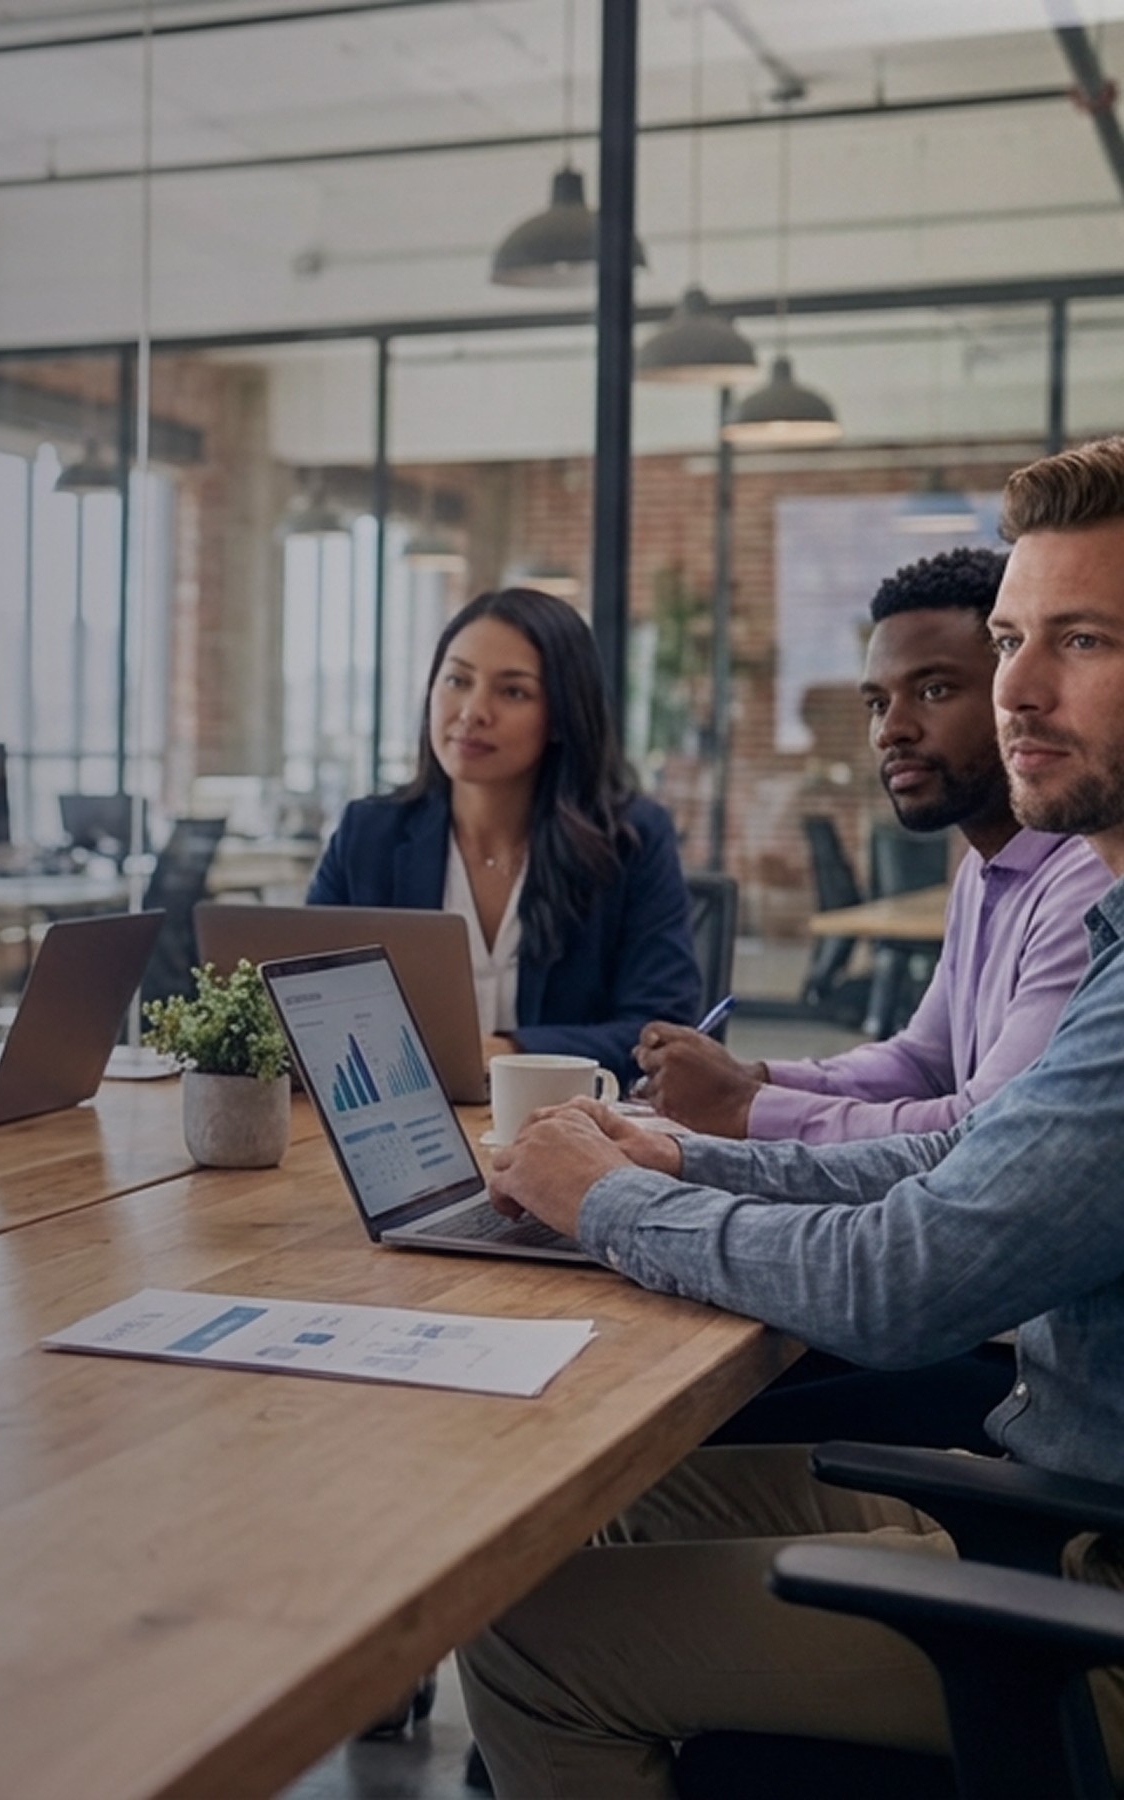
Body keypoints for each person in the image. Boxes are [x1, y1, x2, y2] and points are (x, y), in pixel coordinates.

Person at [462, 439, 1124, 1798]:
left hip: (1089, 1582)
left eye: (1087, 639)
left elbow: (906, 1280)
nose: (1021, 689)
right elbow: (969, 1146)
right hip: (1044, 1497)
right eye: (1013, 639)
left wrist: (610, 1199)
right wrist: (689, 1152)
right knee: (577, 1511)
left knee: (526, 1639)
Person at [635, 546, 1101, 1143]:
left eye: (933, 690)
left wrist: (745, 1108)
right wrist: (752, 1076)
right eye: (878, 703)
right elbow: (922, 1064)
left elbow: (985, 1131)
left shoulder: (1086, 880)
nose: (891, 730)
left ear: (1011, 693)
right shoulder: (986, 869)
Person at [304, 585, 699, 1084]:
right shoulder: (369, 835)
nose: (472, 711)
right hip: (404, 1128)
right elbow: (305, 1005)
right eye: (457, 680)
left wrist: (510, 1052)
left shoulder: (630, 841)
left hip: (571, 1132)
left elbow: (663, 1033)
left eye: (512, 691)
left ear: (561, 716)